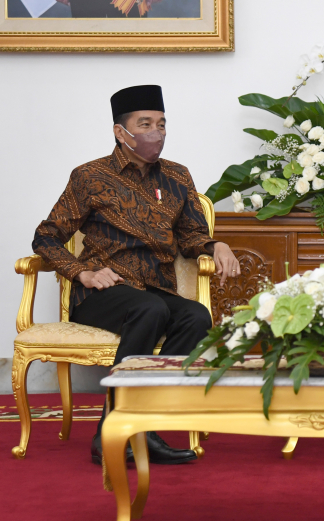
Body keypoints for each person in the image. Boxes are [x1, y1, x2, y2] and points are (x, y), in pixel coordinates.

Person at [33, 85, 240, 465]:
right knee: (150, 311)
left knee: (196, 315)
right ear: (120, 132)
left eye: (161, 124)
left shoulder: (177, 176)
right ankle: (111, 432)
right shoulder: (89, 176)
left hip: (153, 288)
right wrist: (83, 274)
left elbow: (192, 235)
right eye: (144, 125)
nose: (155, 134)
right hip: (102, 294)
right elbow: (45, 238)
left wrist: (216, 247)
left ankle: (144, 428)